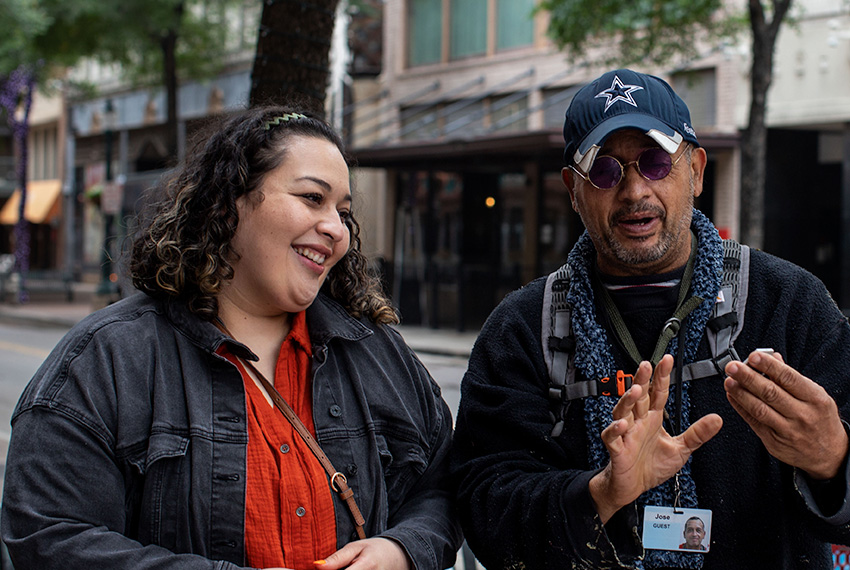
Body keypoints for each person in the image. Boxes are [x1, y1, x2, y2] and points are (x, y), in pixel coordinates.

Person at [1, 107, 462, 570]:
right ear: (228, 202)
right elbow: (51, 535)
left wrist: (402, 550)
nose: (336, 229)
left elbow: (445, 486)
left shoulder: (380, 355)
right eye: (311, 198)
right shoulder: (106, 360)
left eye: (343, 212)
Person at [450, 68, 850, 569]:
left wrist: (833, 459)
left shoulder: (790, 304)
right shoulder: (522, 329)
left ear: (697, 171)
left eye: (656, 162)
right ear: (573, 190)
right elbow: (481, 504)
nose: (635, 191)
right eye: (605, 171)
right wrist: (599, 494)